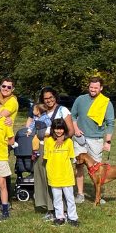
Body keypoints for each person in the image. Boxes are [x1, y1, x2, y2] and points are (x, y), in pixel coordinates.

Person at [32, 87, 75, 219]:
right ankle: (50, 209)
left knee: (58, 177)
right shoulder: (40, 111)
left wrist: (62, 138)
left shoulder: (63, 110)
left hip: (58, 149)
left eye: (51, 97)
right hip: (41, 147)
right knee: (44, 177)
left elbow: (71, 130)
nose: (49, 100)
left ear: (55, 97)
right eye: (46, 98)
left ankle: (64, 210)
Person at [70, 76, 115, 204]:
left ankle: (98, 196)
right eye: (91, 87)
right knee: (78, 166)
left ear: (101, 88)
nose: (93, 89)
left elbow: (110, 123)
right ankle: (80, 194)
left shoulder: (106, 102)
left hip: (96, 140)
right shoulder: (80, 99)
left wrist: (107, 141)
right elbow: (73, 116)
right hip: (80, 138)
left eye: (96, 87)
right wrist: (76, 129)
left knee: (97, 169)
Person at [43, 118, 79, 227]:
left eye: (61, 129)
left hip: (66, 174)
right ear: (53, 129)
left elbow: (72, 158)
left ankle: (73, 217)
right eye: (56, 129)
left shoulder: (68, 141)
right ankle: (60, 217)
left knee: (70, 198)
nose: (59, 131)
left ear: (65, 129)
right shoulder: (49, 141)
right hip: (54, 174)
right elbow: (47, 158)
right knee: (57, 198)